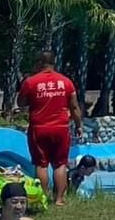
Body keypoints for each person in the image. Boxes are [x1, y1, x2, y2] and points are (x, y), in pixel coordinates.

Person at [17, 51, 83, 206]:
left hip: (39, 128)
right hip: (60, 128)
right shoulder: (66, 82)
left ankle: (43, 198)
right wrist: (79, 125)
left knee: (41, 164)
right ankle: (59, 199)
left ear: (39, 63)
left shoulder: (31, 82)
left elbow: (20, 103)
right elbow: (74, 106)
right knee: (60, 164)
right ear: (54, 62)